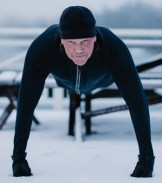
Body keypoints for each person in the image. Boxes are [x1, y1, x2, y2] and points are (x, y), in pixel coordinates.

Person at [11, 6, 155, 177]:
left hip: (102, 79)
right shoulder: (42, 48)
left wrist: (146, 158)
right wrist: (18, 157)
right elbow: (26, 104)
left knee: (129, 84)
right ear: (61, 41)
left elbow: (137, 102)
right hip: (64, 80)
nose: (79, 50)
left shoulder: (113, 47)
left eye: (85, 41)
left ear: (94, 38)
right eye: (71, 43)